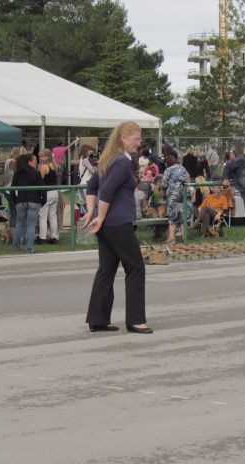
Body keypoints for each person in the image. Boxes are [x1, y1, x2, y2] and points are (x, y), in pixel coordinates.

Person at [82, 120, 152, 334]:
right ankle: (136, 320)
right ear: (123, 138)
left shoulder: (108, 160)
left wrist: (91, 212)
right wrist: (99, 216)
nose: (138, 143)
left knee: (106, 270)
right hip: (118, 223)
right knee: (136, 267)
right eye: (136, 139)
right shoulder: (121, 162)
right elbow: (107, 191)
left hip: (106, 226)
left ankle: (98, 319)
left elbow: (91, 188)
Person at [11, 153, 46, 253]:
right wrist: (43, 200)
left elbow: (12, 189)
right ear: (29, 162)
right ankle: (29, 247)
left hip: (20, 201)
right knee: (31, 225)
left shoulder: (17, 174)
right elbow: (43, 188)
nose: (36, 163)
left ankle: (15, 246)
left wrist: (15, 200)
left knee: (19, 223)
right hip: (34, 201)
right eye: (34, 161)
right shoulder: (36, 173)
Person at [162, 154, 192, 244]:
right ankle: (184, 237)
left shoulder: (169, 169)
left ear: (167, 163)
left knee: (172, 215)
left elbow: (164, 183)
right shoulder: (183, 168)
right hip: (184, 193)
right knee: (183, 215)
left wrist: (164, 190)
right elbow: (188, 179)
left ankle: (172, 238)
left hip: (173, 194)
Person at [37, 149, 59, 244]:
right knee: (53, 216)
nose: (41, 158)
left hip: (47, 193)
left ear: (47, 156)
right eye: (40, 157)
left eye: (42, 156)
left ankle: (42, 237)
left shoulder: (44, 167)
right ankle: (55, 236)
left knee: (43, 216)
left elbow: (40, 180)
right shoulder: (54, 165)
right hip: (55, 192)